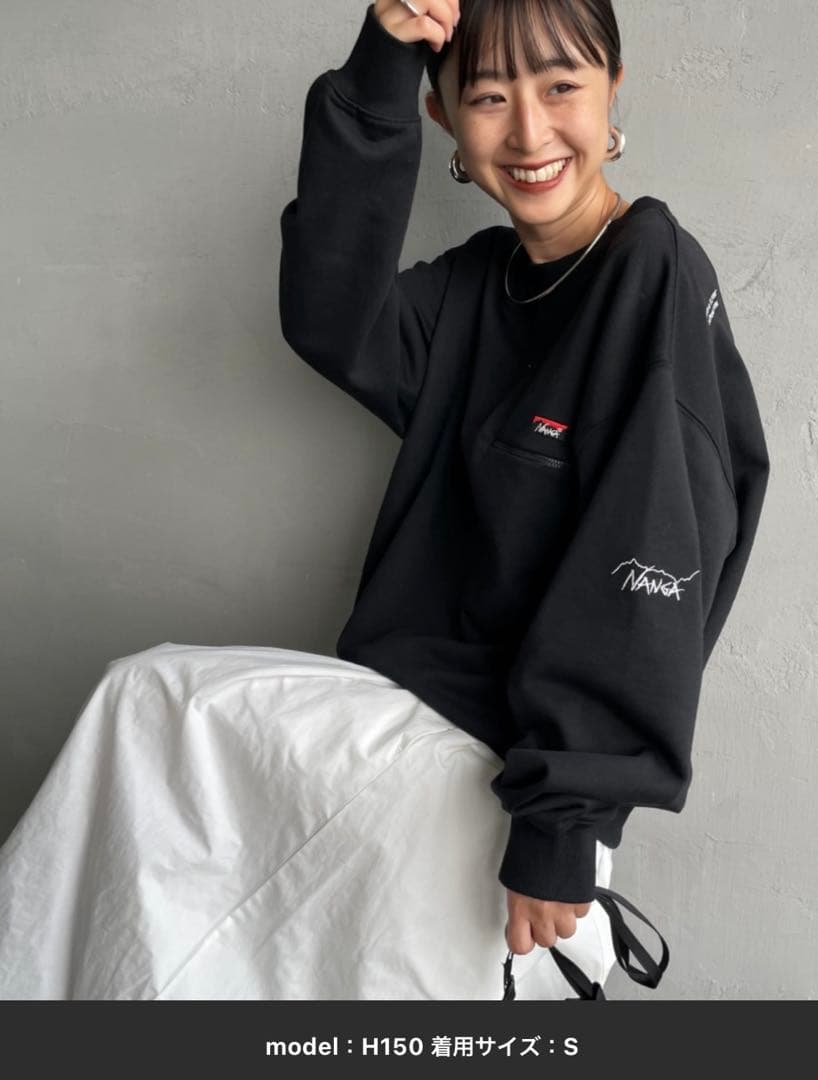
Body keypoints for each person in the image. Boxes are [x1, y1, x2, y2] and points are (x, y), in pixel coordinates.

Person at [0, 0, 768, 1002]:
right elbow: (332, 317)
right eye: (487, 99)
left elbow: (651, 553)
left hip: (506, 775)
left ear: (613, 88)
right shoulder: (481, 285)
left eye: (561, 87)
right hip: (403, 720)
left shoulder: (649, 269)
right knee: (142, 716)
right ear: (442, 118)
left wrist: (564, 825)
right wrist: (381, 68)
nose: (530, 132)